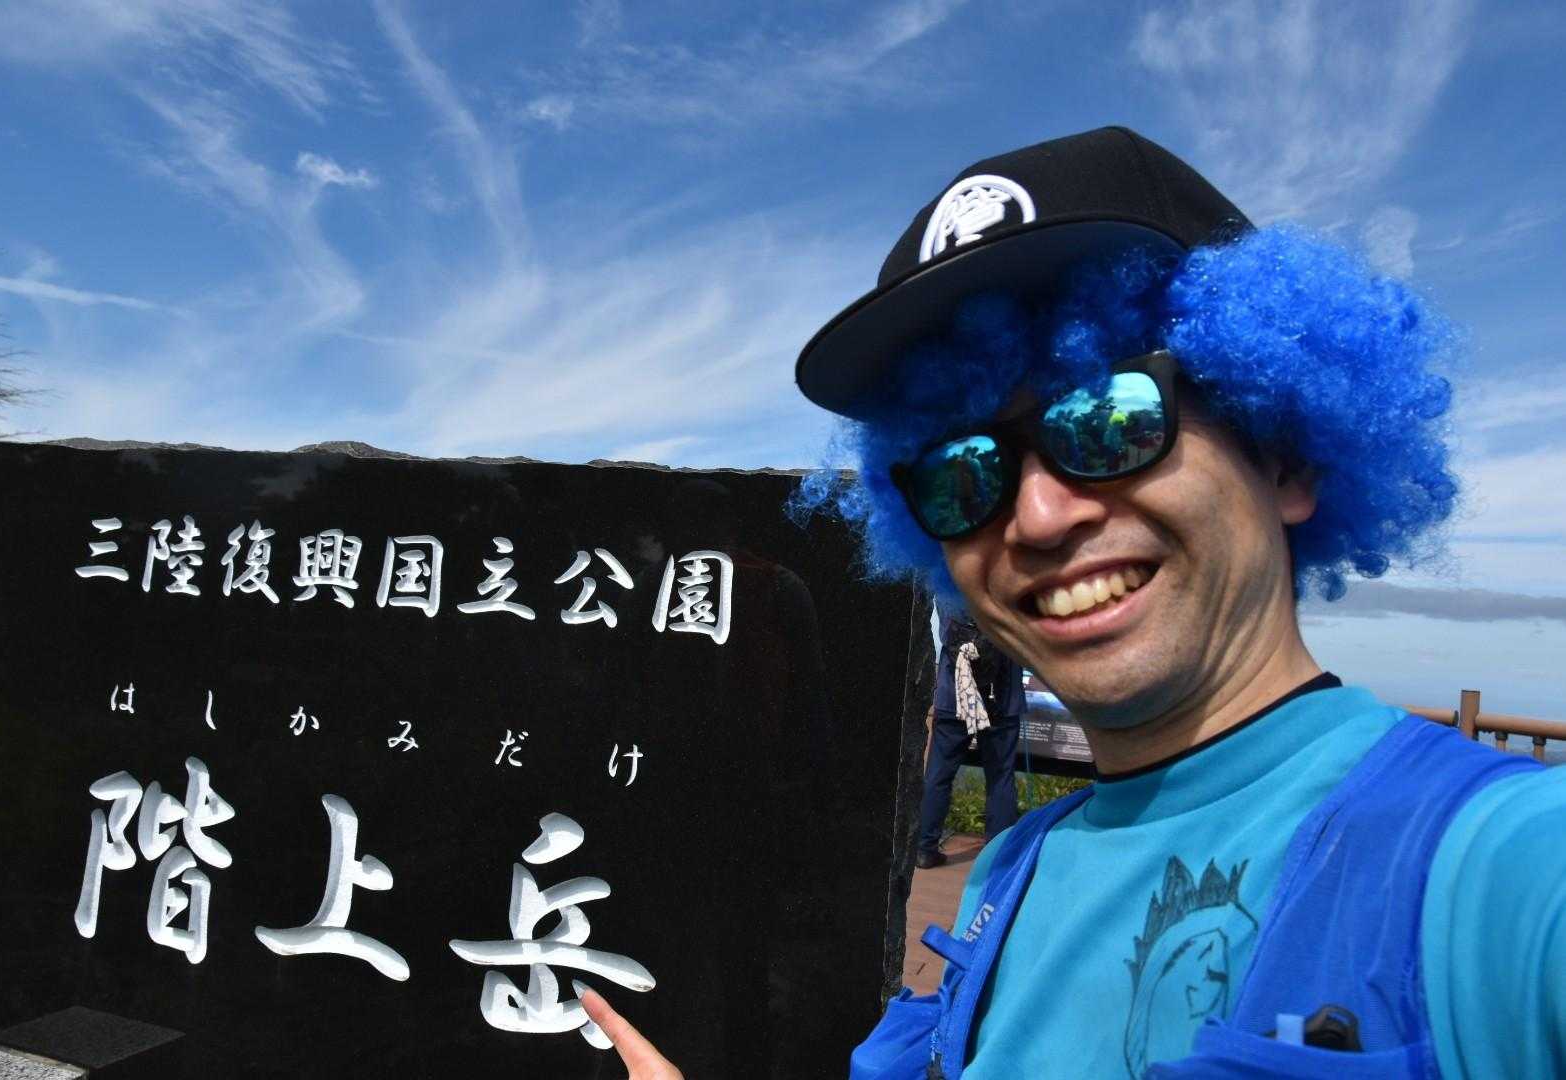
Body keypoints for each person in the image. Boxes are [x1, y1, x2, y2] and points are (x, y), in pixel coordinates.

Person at [584, 127, 1566, 1078]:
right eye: (962, 474)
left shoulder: (1501, 874)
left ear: (1285, 455)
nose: (1038, 518)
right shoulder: (1013, 870)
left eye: (1108, 420)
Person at [917, 595, 1023, 869]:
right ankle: (998, 855)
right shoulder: (1010, 590)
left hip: (954, 694)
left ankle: (924, 849)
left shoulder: (947, 587)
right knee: (1000, 777)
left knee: (938, 774)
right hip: (1002, 696)